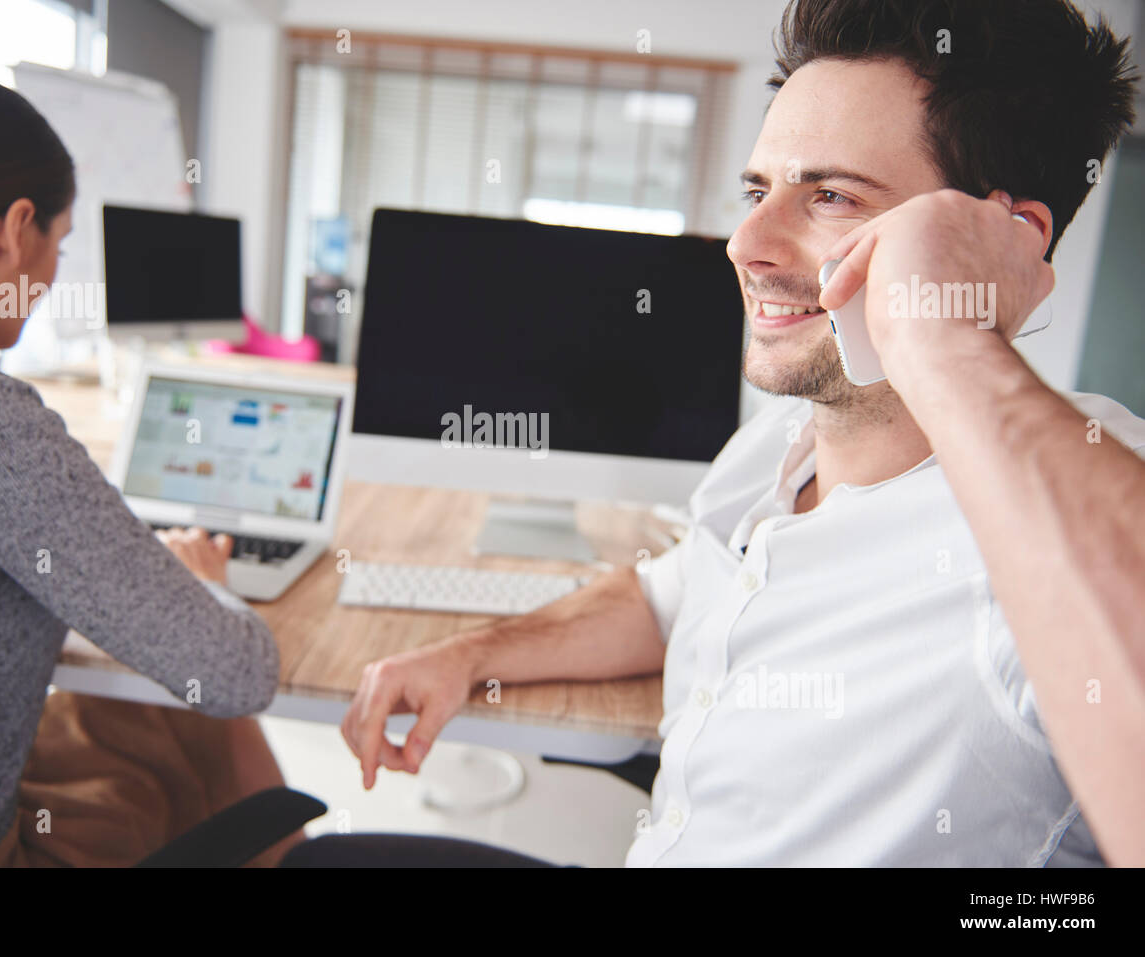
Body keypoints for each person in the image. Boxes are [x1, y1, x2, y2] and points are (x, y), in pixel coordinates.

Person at [313, 0, 1145, 867]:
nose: (745, 242)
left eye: (830, 195)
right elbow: (666, 595)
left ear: (1009, 240)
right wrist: (471, 655)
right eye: (757, 191)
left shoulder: (1082, 513)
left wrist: (949, 335)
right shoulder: (777, 445)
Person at [0, 69, 295, 866]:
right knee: (193, 713)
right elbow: (237, 672)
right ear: (16, 230)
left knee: (144, 719)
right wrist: (204, 582)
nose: (53, 273)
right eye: (60, 240)